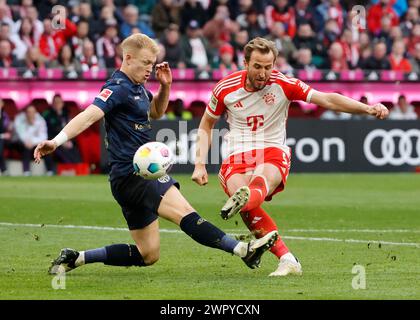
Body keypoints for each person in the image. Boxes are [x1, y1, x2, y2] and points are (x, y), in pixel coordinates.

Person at [34, 33, 278, 275]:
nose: (150, 68)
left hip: (123, 180)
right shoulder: (117, 88)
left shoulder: (137, 87)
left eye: (152, 63)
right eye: (146, 63)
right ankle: (243, 250)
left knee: (147, 254)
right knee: (186, 214)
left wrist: (165, 86)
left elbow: (156, 112)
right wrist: (57, 141)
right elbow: (90, 115)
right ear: (128, 58)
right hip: (137, 174)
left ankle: (76, 258)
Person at [191, 37, 389, 277]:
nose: (263, 73)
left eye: (268, 66)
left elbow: (327, 99)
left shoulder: (284, 84)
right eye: (257, 66)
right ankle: (287, 258)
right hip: (237, 152)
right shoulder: (226, 88)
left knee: (258, 182)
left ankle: (249, 200)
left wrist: (366, 108)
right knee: (244, 200)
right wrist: (199, 163)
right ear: (245, 63)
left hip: (272, 148)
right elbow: (206, 124)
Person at [14, 105, 53, 176]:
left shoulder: (41, 120)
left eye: (32, 112)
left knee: (47, 147)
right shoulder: (19, 119)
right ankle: (26, 171)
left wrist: (33, 142)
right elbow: (21, 135)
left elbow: (43, 137)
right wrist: (30, 125)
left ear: (35, 113)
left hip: (36, 144)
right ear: (25, 113)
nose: (30, 114)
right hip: (21, 143)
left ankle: (50, 171)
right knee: (25, 148)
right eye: (29, 112)